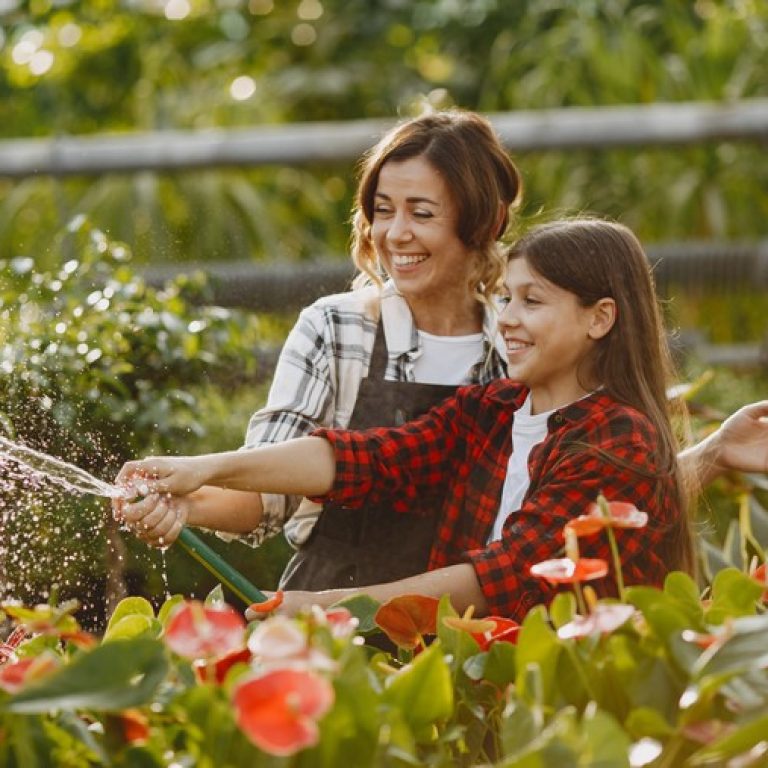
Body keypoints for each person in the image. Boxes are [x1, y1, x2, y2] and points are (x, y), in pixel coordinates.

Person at [115, 109, 768, 597]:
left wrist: (330, 609)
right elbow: (364, 460)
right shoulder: (460, 387)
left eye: (421, 212)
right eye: (381, 209)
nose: (395, 232)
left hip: (461, 637)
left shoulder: (520, 368)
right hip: (376, 618)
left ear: (477, 222)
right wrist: (193, 481)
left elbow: (548, 537)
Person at [117, 218, 700, 621]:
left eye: (533, 301)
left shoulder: (618, 438)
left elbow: (499, 579)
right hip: (482, 684)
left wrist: (318, 608)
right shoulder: (492, 410)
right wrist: (201, 469)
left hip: (568, 699)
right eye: (507, 299)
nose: (510, 320)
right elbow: (365, 459)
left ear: (599, 319)